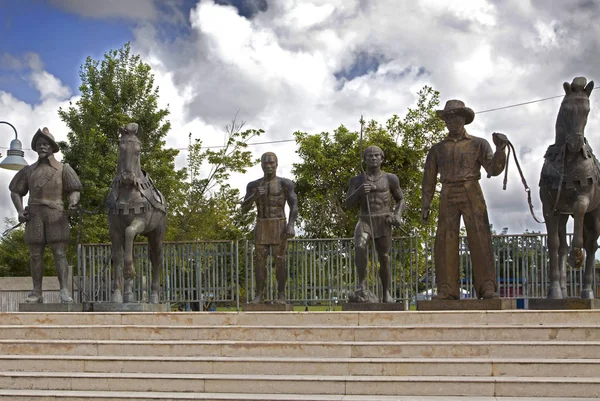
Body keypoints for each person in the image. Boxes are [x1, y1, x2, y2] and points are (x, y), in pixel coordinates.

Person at [421, 100, 508, 300]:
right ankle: (447, 288)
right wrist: (426, 204)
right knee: (445, 240)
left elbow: (493, 170)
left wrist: (501, 150)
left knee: (480, 237)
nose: (452, 121)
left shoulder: (478, 144)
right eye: (448, 117)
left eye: (456, 117)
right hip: (447, 192)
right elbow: (429, 179)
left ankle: (487, 287)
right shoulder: (437, 149)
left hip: (472, 190)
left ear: (464, 119)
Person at [9, 127, 82, 303]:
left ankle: (64, 290)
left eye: (45, 144)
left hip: (56, 214)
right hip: (34, 215)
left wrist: (73, 202)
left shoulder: (64, 168)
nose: (42, 147)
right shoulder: (28, 171)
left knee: (59, 253)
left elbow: (74, 189)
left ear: (52, 147)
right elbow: (15, 191)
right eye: (39, 144)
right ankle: (36, 292)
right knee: (35, 254)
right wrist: (20, 210)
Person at [345, 146, 405, 303]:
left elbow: (401, 199)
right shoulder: (357, 180)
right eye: (369, 156)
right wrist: (358, 192)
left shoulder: (391, 178)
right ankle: (361, 286)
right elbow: (347, 204)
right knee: (359, 246)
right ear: (364, 159)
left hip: (383, 221)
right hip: (365, 220)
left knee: (383, 257)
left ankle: (386, 293)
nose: (373, 158)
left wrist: (397, 214)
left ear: (382, 158)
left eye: (376, 155)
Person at [241, 152, 298, 304]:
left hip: (279, 224)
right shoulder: (253, 185)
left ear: (276, 164)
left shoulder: (285, 183)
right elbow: (244, 209)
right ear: (261, 165)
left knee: (279, 260)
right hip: (262, 223)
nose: (269, 166)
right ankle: (259, 295)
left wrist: (291, 225)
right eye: (266, 163)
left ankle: (281, 295)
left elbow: (294, 205)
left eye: (271, 163)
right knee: (260, 260)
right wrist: (254, 197)